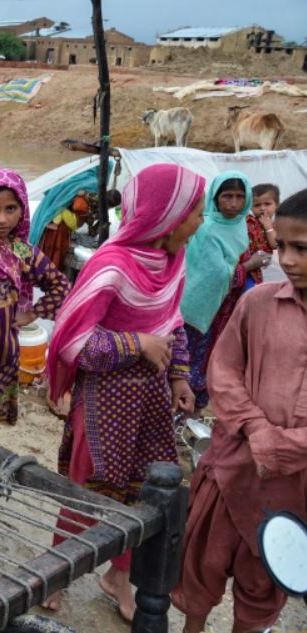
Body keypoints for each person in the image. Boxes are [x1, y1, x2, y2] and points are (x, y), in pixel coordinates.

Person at [41, 164, 207, 620]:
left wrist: (178, 376)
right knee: (88, 487)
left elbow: (172, 322)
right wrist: (138, 344)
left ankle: (119, 577)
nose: (201, 221)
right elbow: (73, 341)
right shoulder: (111, 266)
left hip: (150, 401)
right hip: (104, 401)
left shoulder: (173, 262)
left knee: (142, 491)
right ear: (168, 218)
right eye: (196, 212)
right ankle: (59, 571)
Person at [171, 187, 307, 633]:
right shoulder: (258, 303)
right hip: (233, 464)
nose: (288, 260)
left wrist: (287, 445)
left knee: (264, 582)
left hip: (296, 488)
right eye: (282, 246)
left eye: (302, 249)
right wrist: (255, 428)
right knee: (201, 564)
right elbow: (224, 370)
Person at [0, 168, 70, 433]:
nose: (2, 219)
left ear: (22, 209)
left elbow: (60, 285)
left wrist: (32, 313)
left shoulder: (21, 250)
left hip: (3, 352)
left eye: (11, 209)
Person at [182, 172, 269, 410]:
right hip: (201, 307)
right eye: (227, 196)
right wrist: (248, 266)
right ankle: (180, 410)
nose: (233, 203)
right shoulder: (208, 228)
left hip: (227, 307)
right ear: (215, 198)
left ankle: (196, 412)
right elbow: (216, 275)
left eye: (240, 197)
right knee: (192, 357)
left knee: (215, 357)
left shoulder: (242, 225)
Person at [247, 183, 280, 284]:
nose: (262, 208)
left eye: (267, 204)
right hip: (247, 261)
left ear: (277, 205)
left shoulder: (277, 225)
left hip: (264, 264)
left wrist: (268, 227)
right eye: (257, 205)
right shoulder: (248, 221)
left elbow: (275, 244)